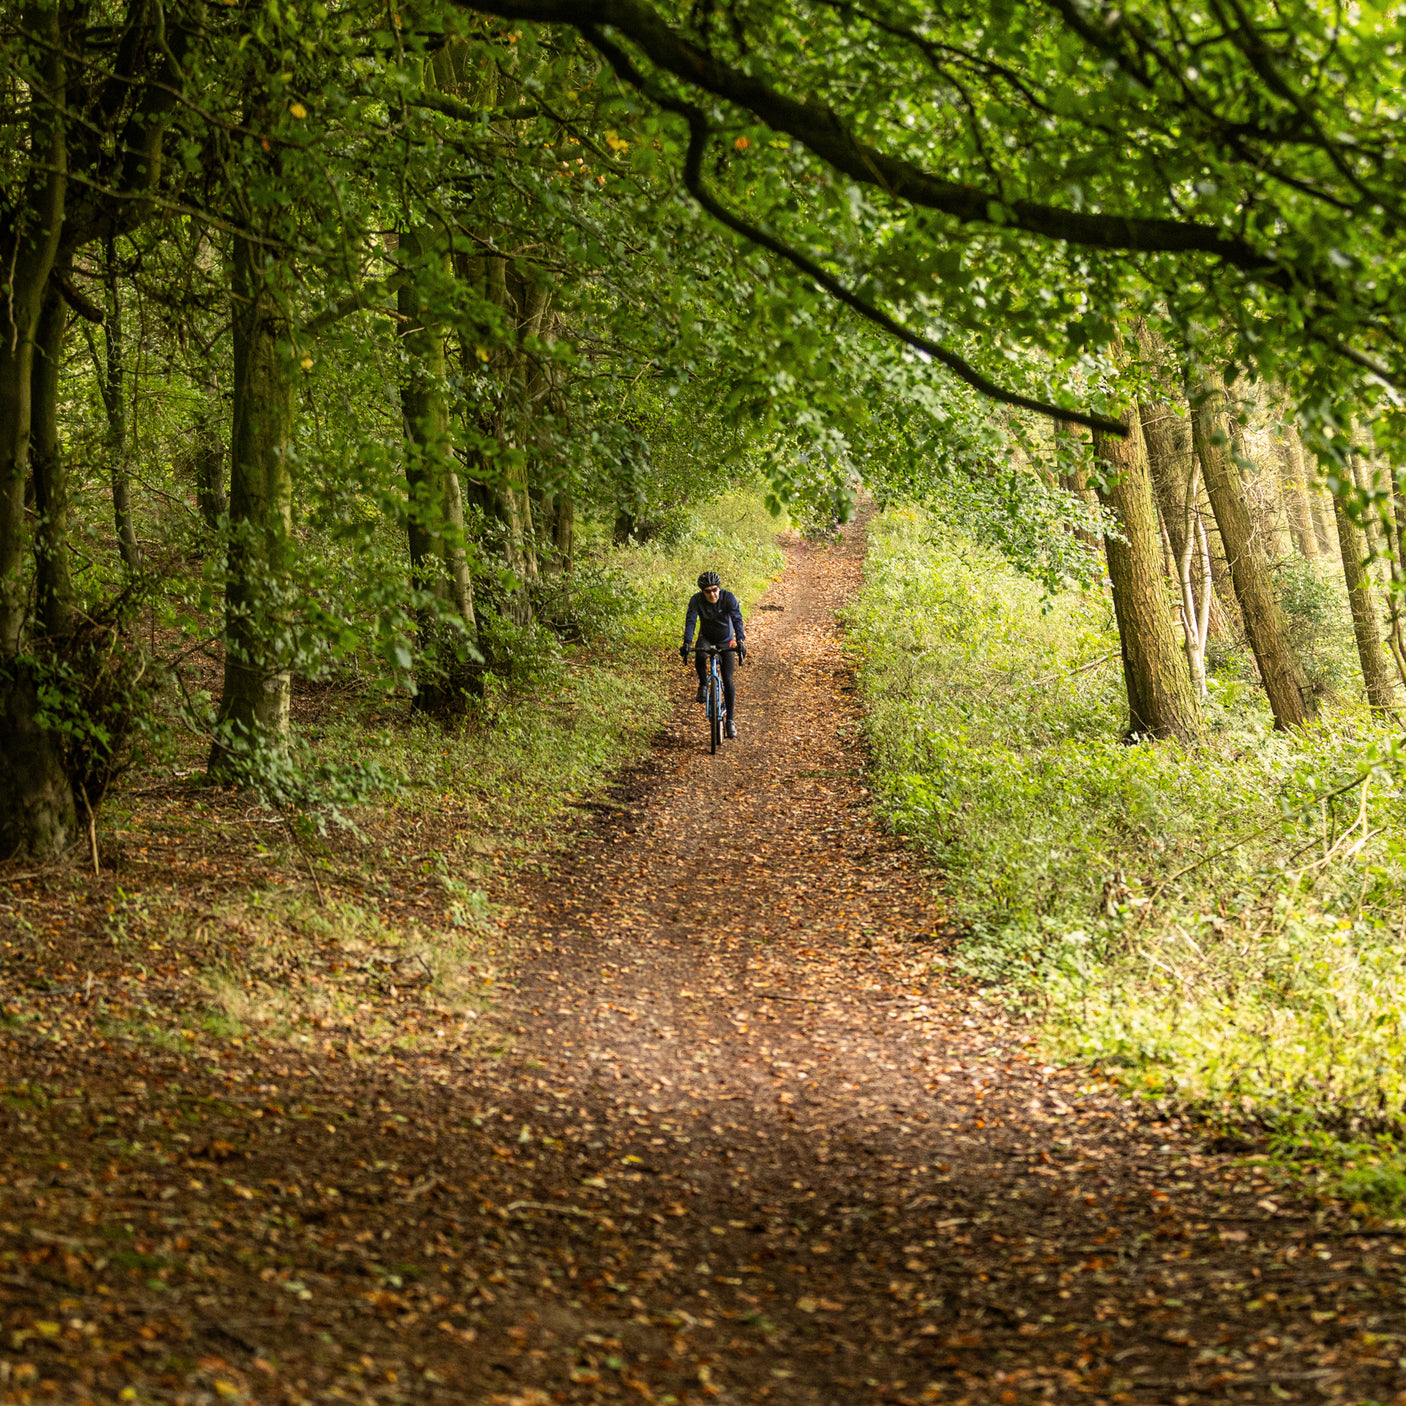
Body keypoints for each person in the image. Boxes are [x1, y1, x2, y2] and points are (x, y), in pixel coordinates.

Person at [680, 570, 746, 738]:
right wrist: (687, 642)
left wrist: (740, 640)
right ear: (702, 592)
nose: (712, 594)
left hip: (725, 639)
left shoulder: (728, 598)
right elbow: (691, 621)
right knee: (700, 654)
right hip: (707, 637)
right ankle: (703, 684)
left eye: (715, 590)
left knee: (728, 680)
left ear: (719, 588)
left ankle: (730, 720)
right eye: (708, 591)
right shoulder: (696, 600)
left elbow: (737, 619)